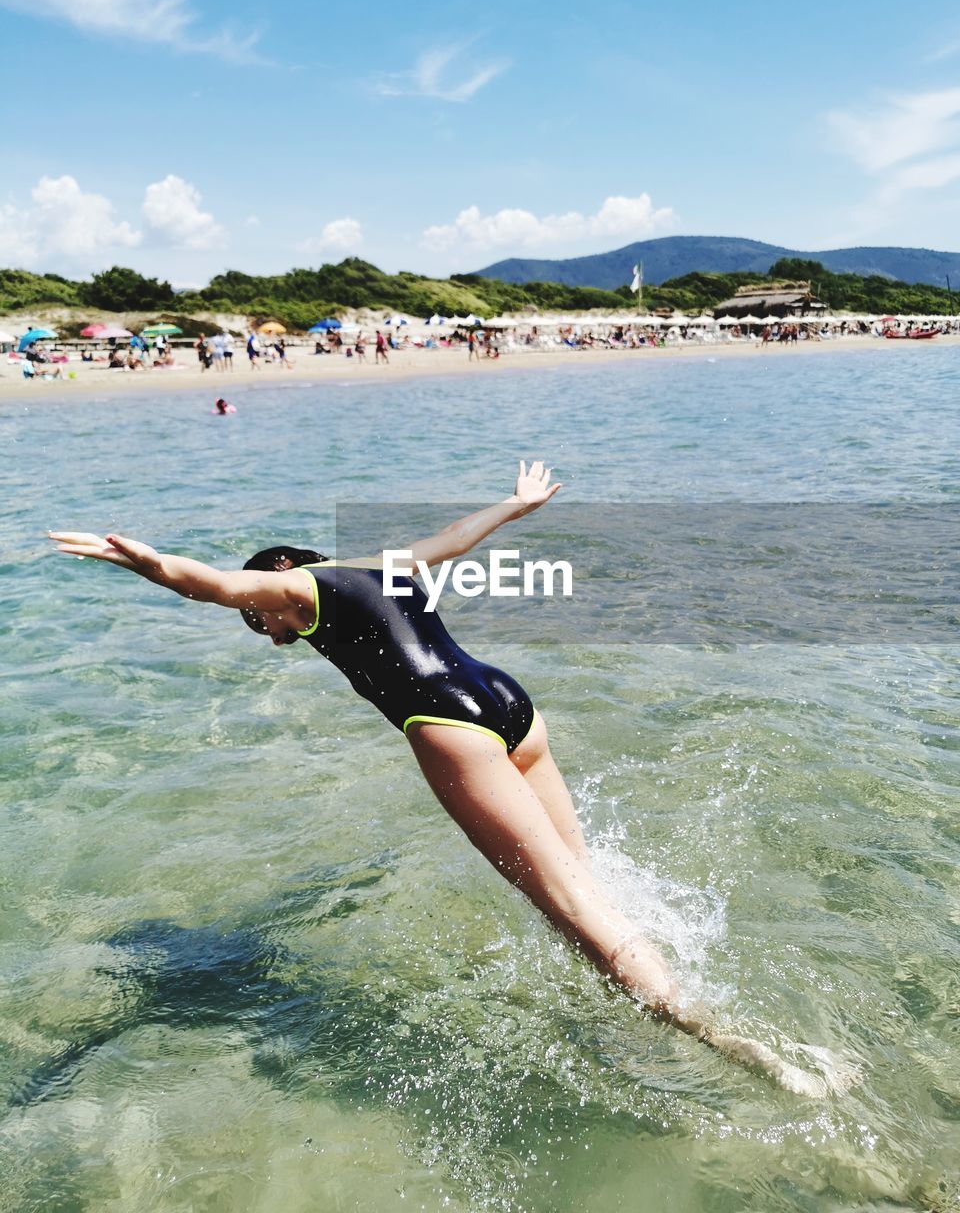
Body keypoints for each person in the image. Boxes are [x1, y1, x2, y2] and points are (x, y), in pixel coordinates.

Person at [47, 463, 849, 1098]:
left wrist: (153, 566)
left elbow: (212, 582)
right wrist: (513, 505)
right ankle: (644, 992)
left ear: (284, 575)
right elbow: (456, 540)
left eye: (263, 621)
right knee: (580, 884)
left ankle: (729, 1044)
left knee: (572, 911)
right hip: (507, 703)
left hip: (450, 724)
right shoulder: (381, 567)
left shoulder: (302, 583)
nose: (271, 633)